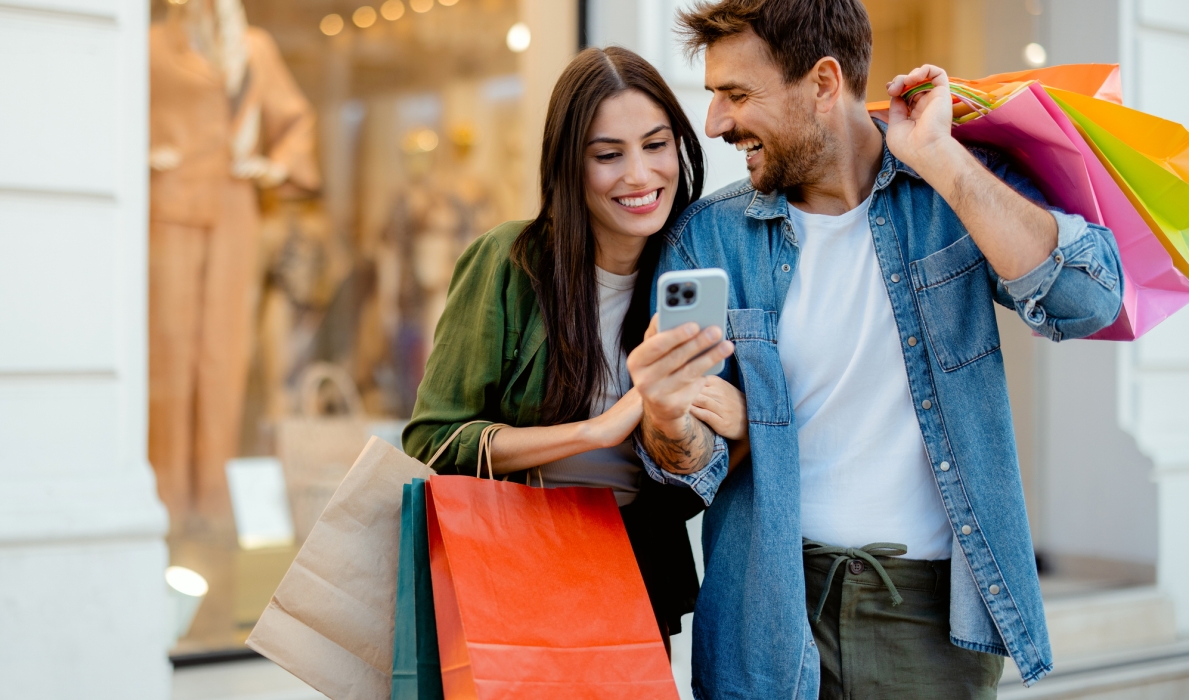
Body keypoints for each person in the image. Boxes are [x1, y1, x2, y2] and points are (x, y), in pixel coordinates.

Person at [626, 1, 1124, 698]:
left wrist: (944, 161)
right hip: (768, 616)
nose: (716, 123)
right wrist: (667, 418)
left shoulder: (949, 191)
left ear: (824, 84)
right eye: (714, 97)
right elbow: (693, 473)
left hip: (929, 620)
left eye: (736, 94)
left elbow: (1089, 302)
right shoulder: (710, 238)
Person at [402, 46, 746, 648]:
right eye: (608, 156)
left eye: (656, 145)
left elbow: (706, 479)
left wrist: (738, 428)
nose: (639, 176)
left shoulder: (700, 271)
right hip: (508, 574)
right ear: (569, 166)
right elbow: (434, 442)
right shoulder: (509, 262)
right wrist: (594, 432)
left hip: (632, 576)